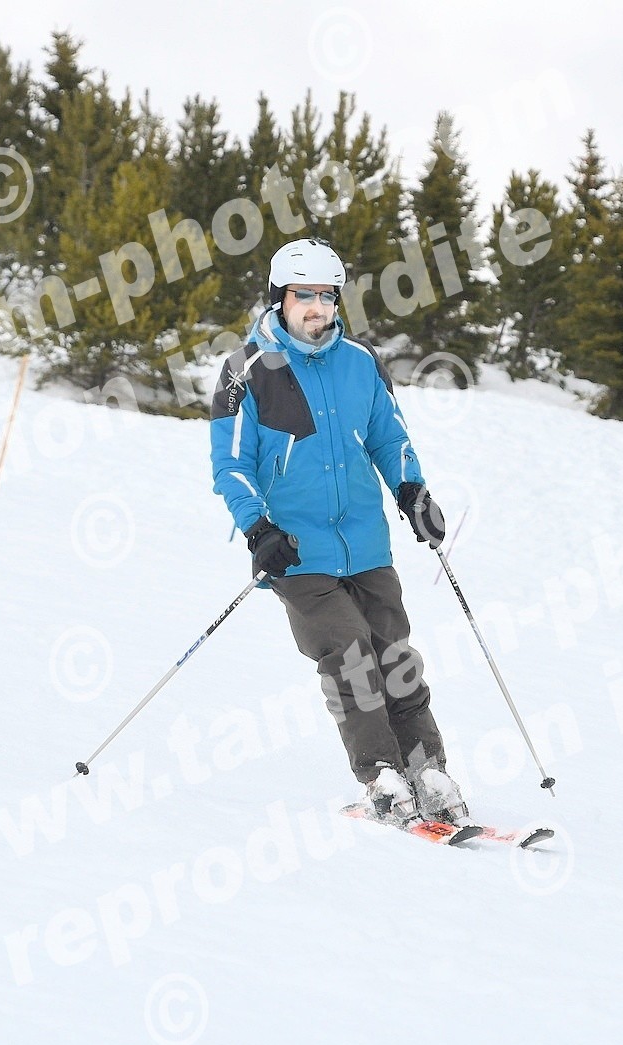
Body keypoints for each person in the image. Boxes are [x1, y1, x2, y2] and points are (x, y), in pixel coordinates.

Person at [209, 237, 462, 826]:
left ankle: (428, 769)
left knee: (394, 655)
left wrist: (412, 491)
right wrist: (258, 529)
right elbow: (231, 464)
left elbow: (389, 438)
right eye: (305, 296)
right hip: (295, 551)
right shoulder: (247, 369)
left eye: (327, 296)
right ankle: (382, 776)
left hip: (366, 543)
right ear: (280, 298)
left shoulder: (360, 362)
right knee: (349, 654)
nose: (318, 308)